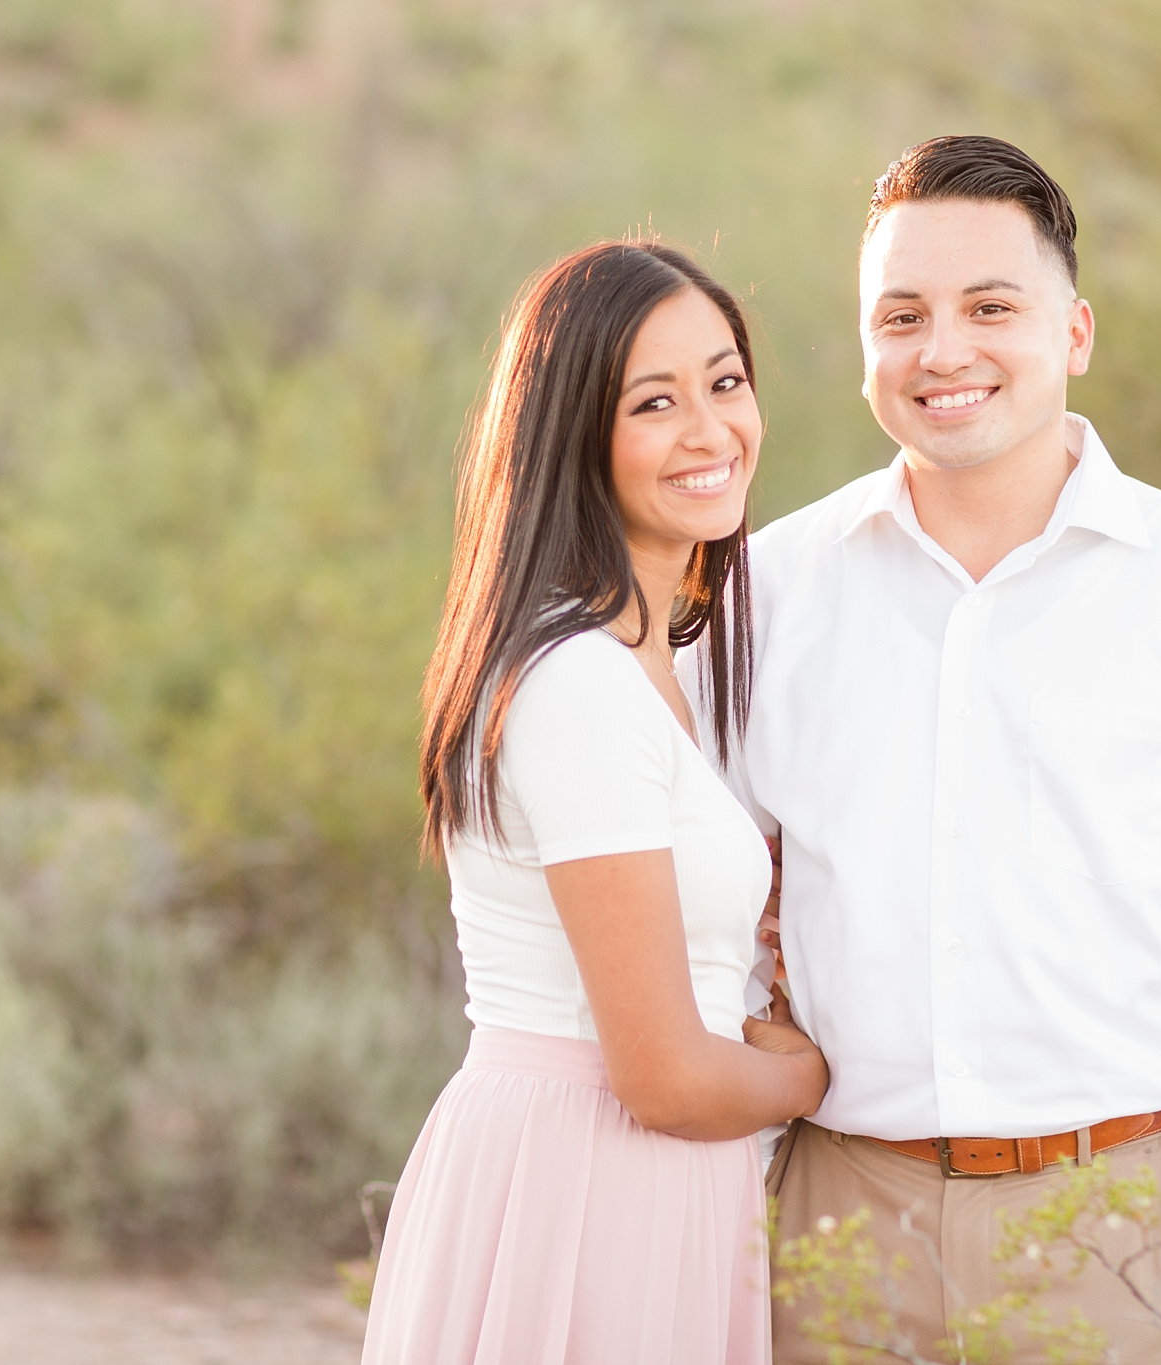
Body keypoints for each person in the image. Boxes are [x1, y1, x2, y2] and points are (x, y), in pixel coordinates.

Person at [688, 135, 1161, 1364]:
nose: (941, 350)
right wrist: (749, 1198)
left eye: (988, 307)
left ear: (1072, 334)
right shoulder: (761, 599)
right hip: (832, 1229)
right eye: (899, 314)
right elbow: (709, 929)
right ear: (863, 350)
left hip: (1116, 1231)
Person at [361, 240, 829, 1365]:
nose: (710, 430)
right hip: (587, 1183)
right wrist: (809, 1074)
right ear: (573, 435)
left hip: (624, 1177)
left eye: (724, 382)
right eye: (653, 402)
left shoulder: (650, 661)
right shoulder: (576, 681)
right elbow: (662, 1077)